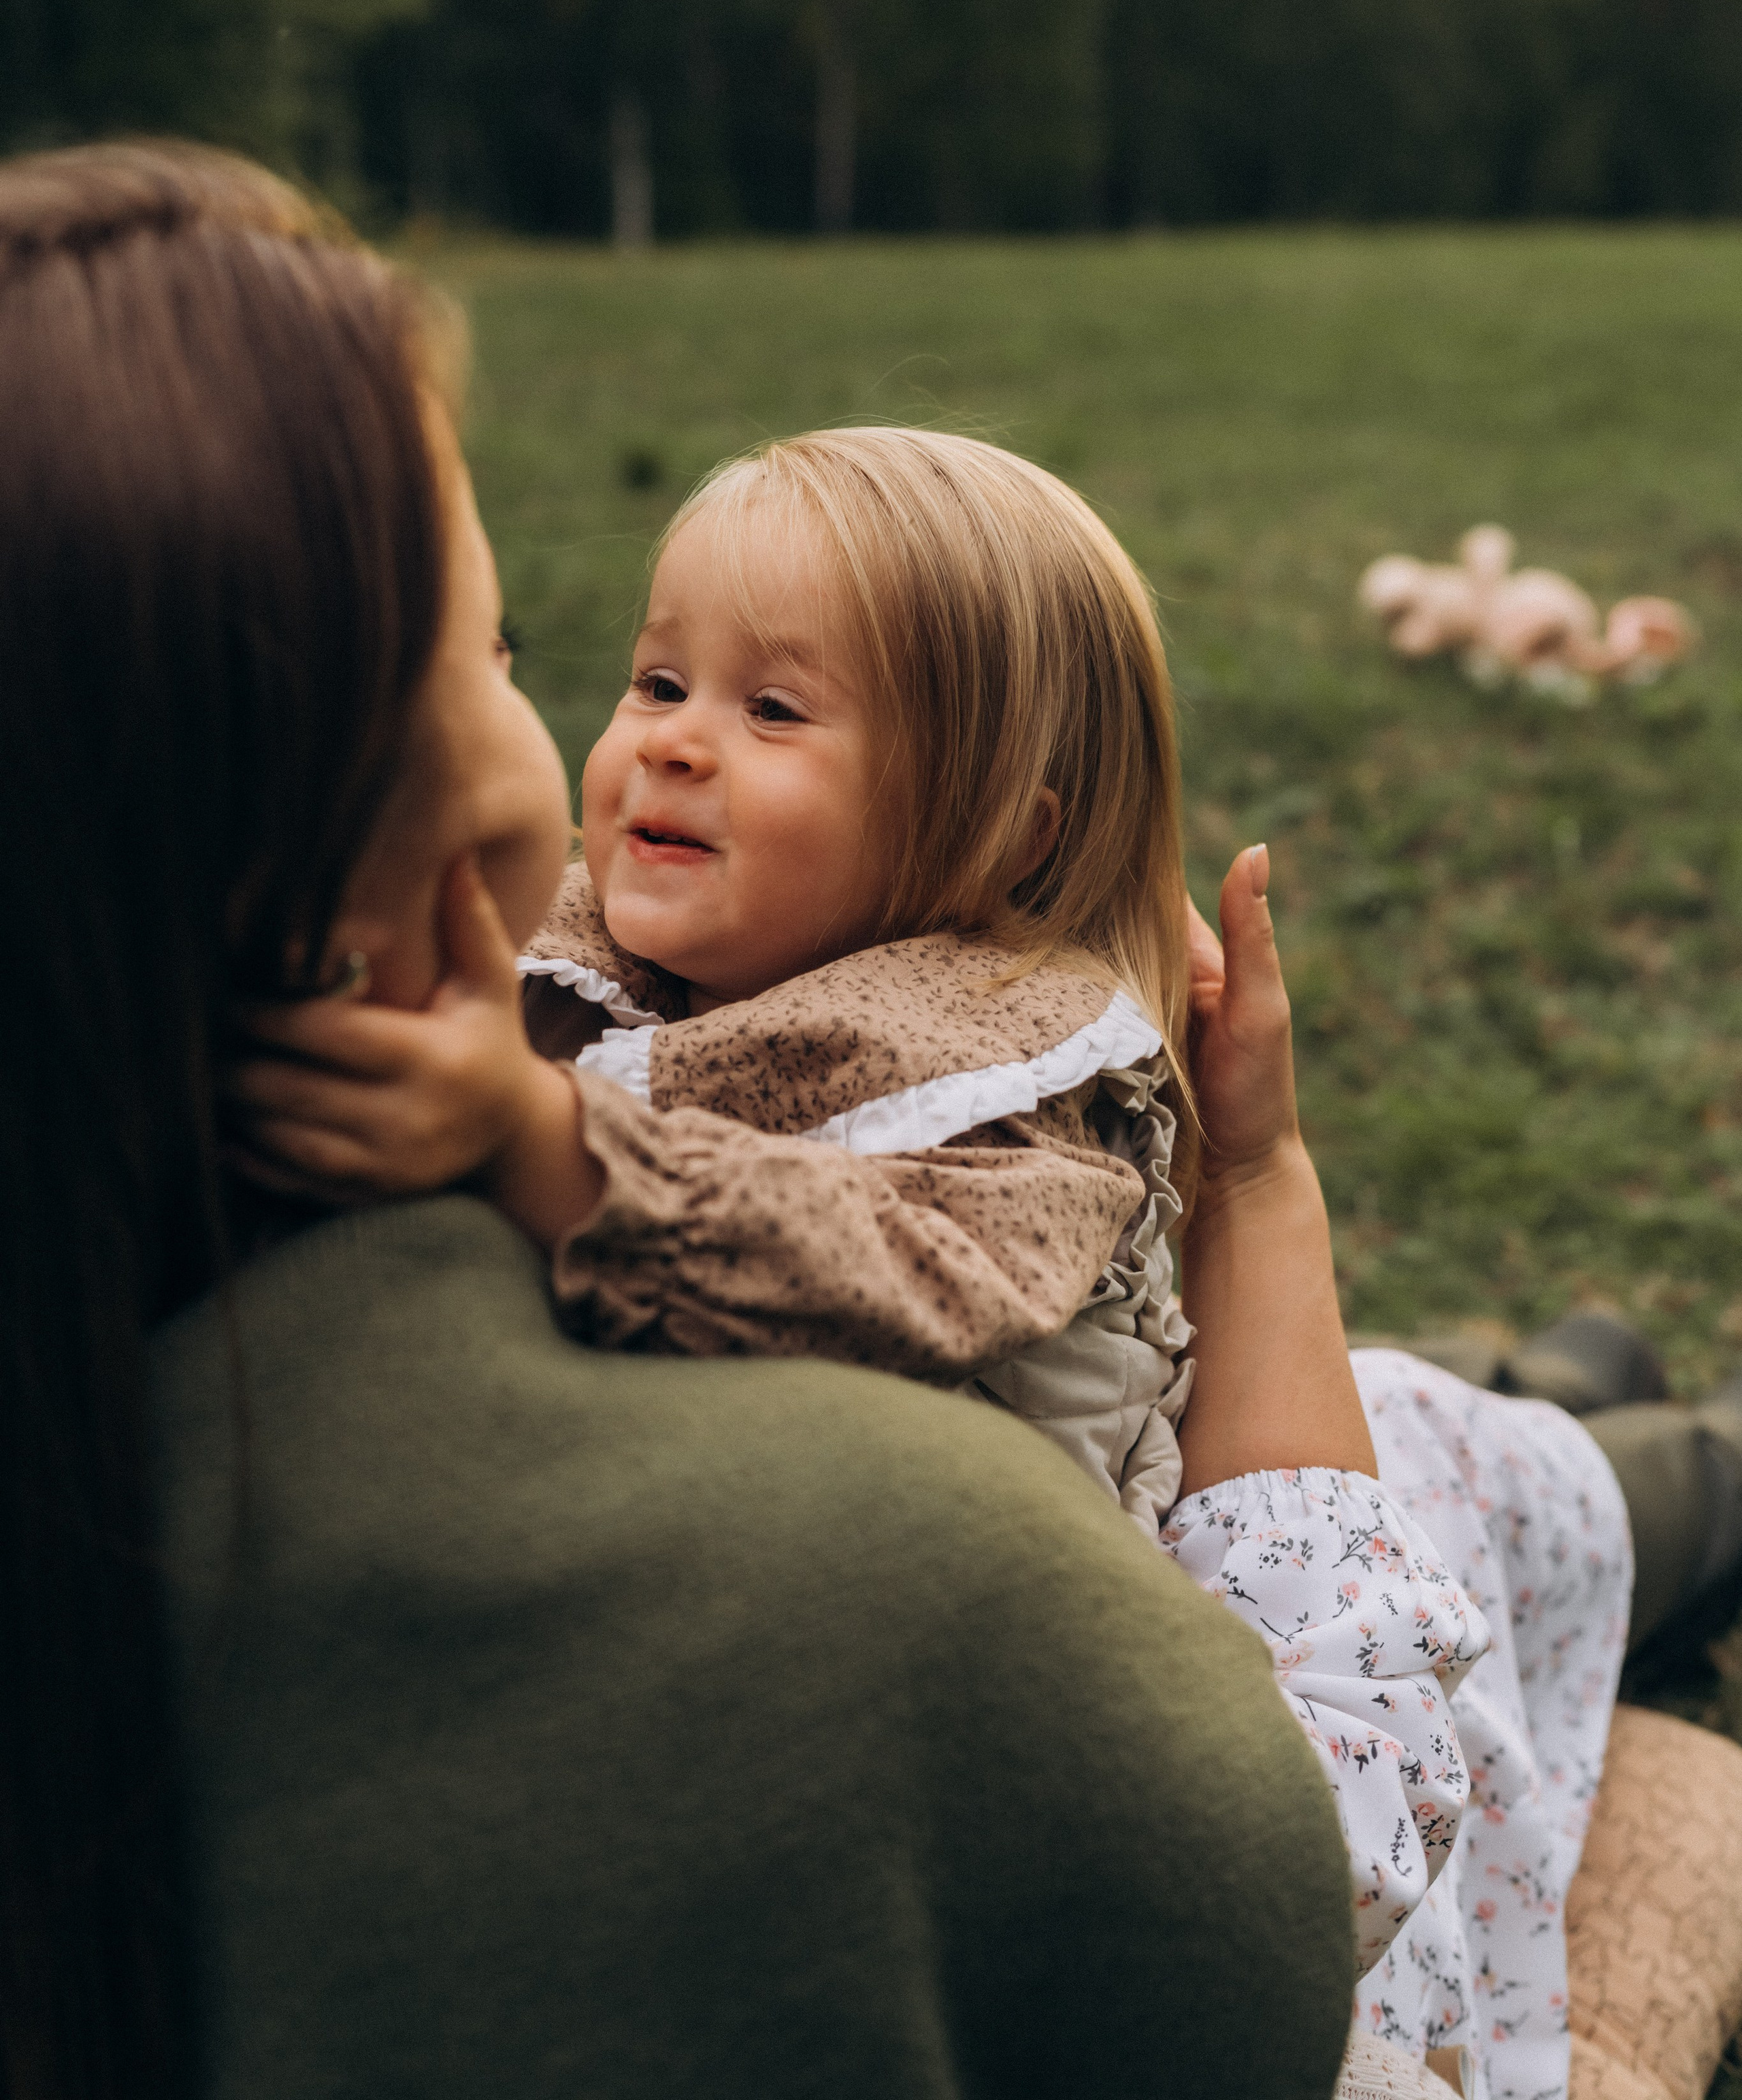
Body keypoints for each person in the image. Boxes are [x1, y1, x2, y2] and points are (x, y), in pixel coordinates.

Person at [0, 142, 1360, 2100]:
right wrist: (1265, 1202)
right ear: (379, 855)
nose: (655, 740)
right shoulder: (930, 1607)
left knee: (1506, 1425)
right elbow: (1305, 1874)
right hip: (1216, 1612)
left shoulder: (977, 1087)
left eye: (772, 711)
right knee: (1512, 1485)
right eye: (558, 663)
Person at [233, 431, 1635, 2100]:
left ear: (999, 839)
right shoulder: (593, 951)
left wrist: (552, 1151)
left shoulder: (1013, 1111)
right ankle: (1587, 1400)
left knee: (1523, 1467)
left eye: (771, 712)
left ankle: (1640, 1437)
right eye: (655, 677)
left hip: (1236, 1608)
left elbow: (896, 1270)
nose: (671, 743)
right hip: (1253, 1553)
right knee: (1451, 1433)